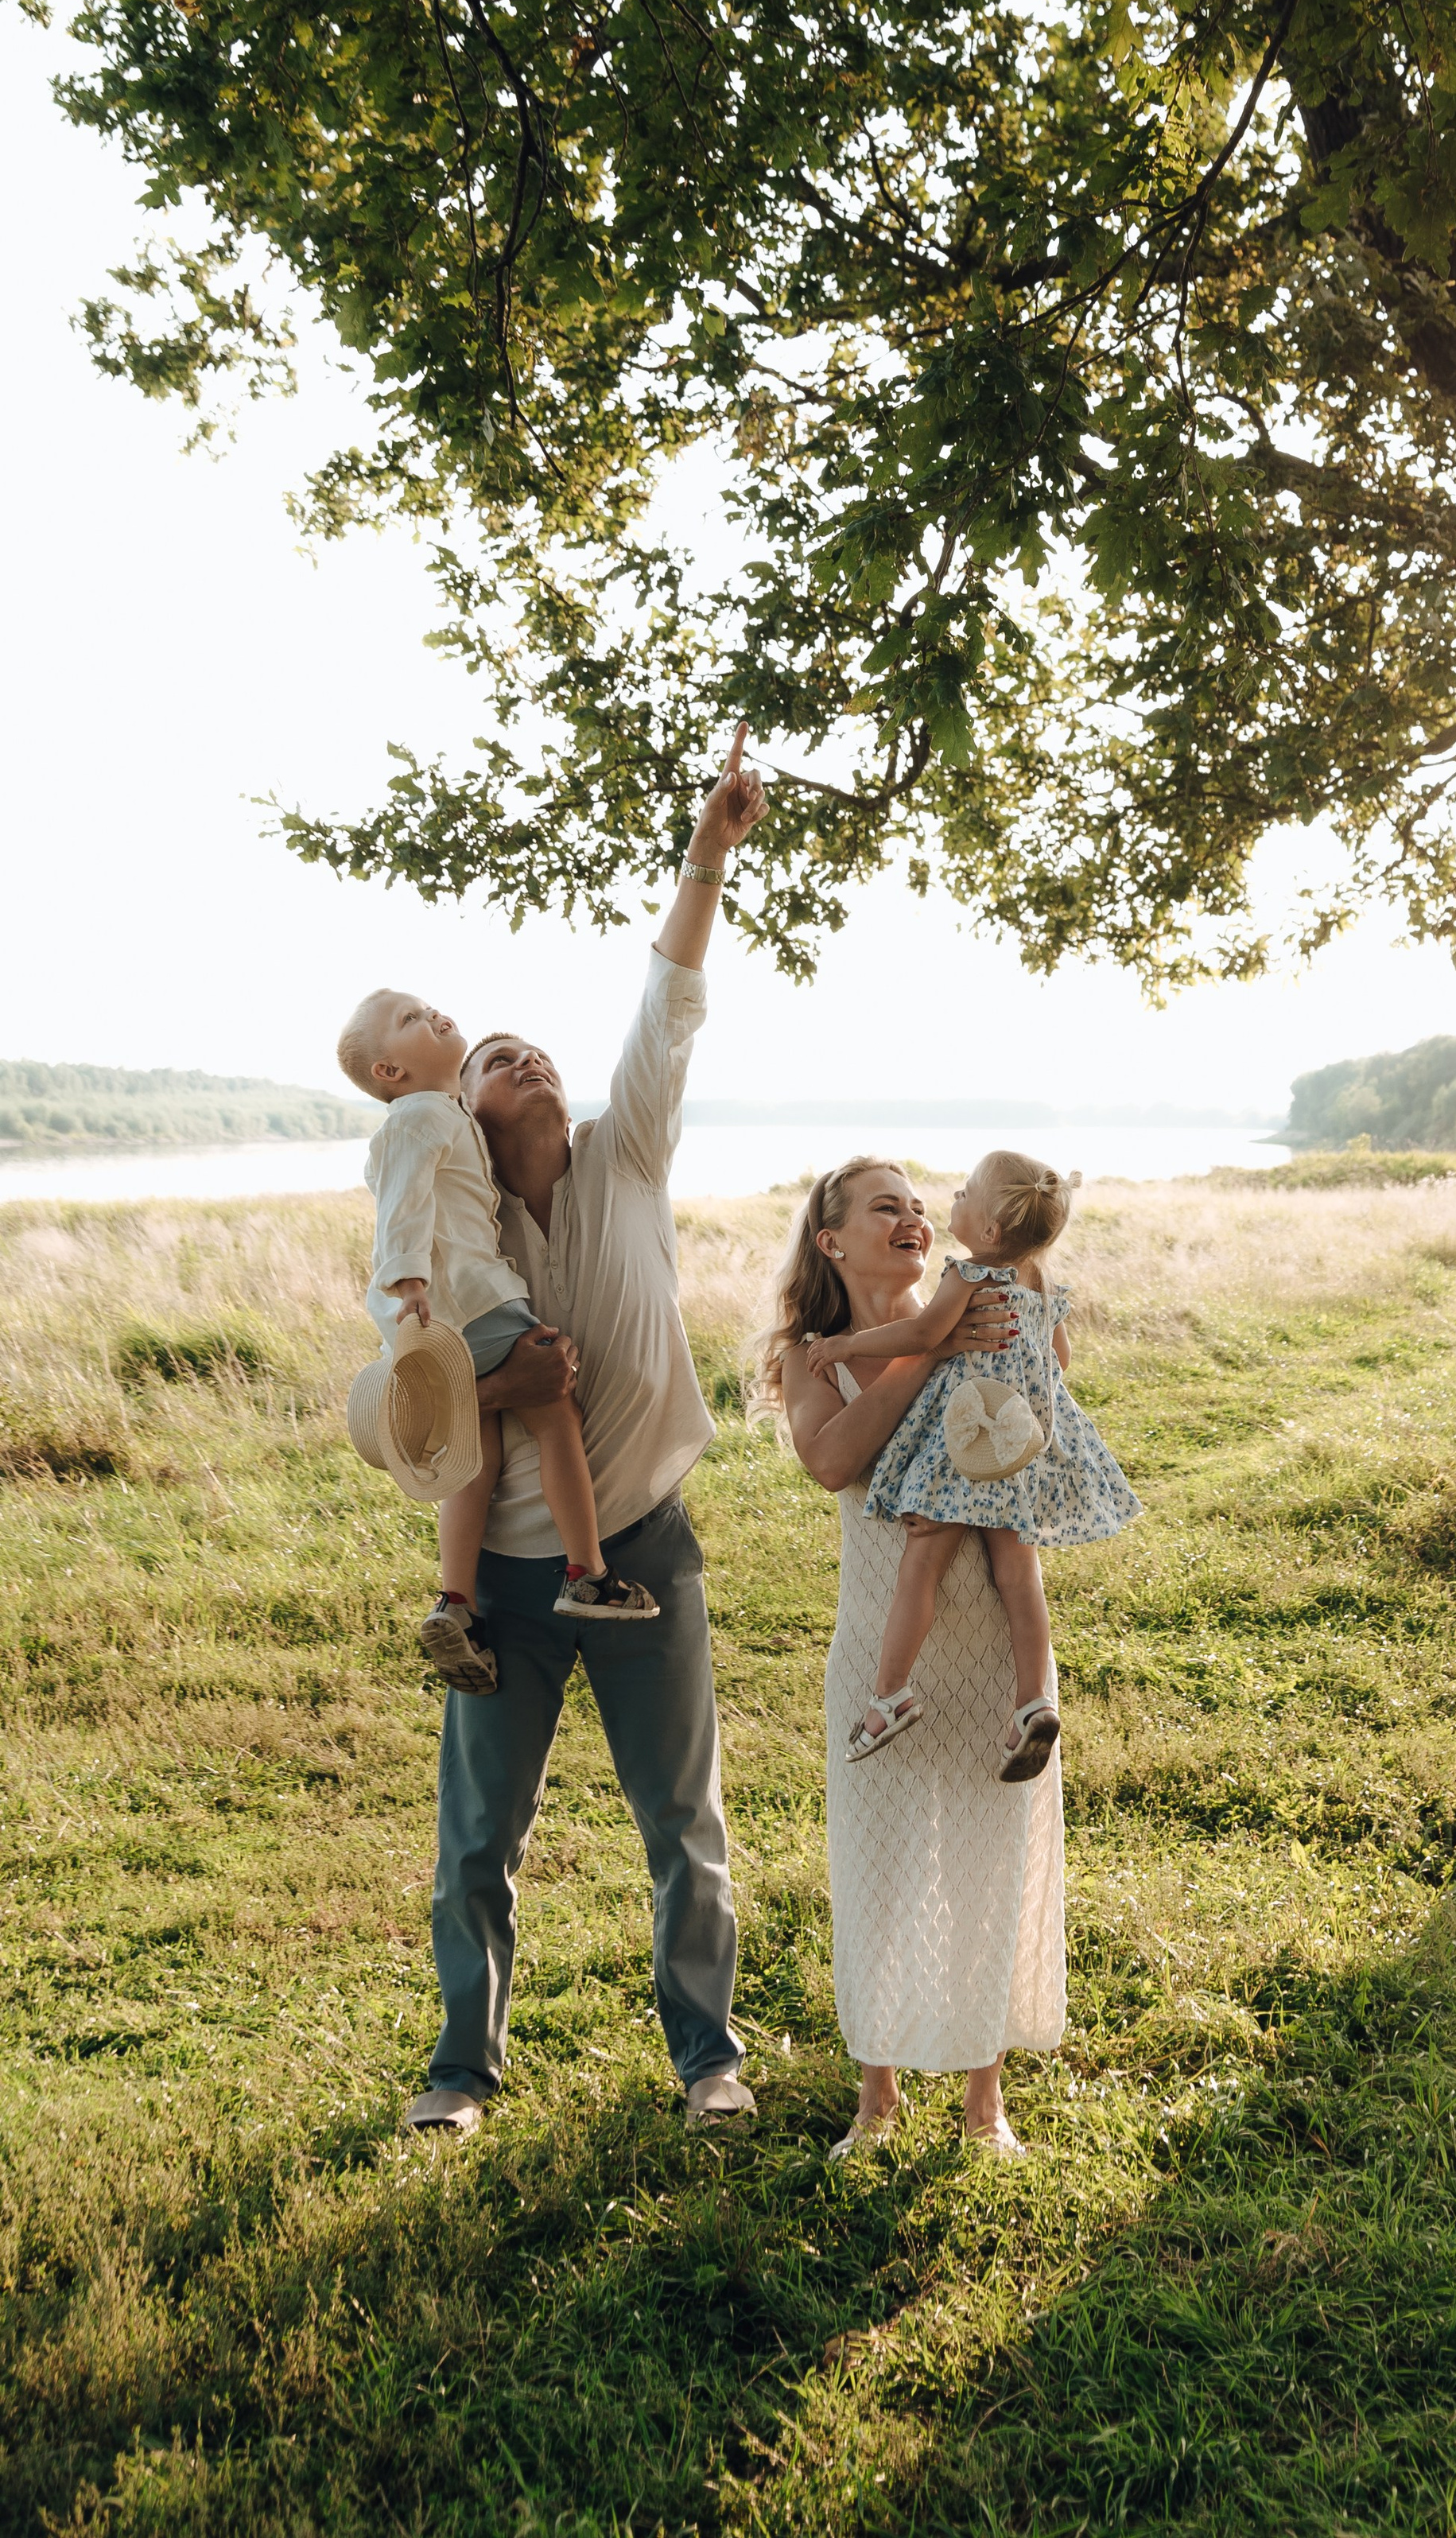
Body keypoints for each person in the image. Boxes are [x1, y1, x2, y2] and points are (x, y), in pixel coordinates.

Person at [399, 723, 767, 2137]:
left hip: (646, 1557)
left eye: (537, 1049)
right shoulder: (450, 1229)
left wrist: (707, 850)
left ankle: (708, 2060)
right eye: (498, 1056)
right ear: (461, 1109)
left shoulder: (629, 1152)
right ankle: (460, 2070)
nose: (529, 1058)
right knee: (479, 1836)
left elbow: (668, 998)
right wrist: (501, 1390)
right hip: (506, 1576)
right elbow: (413, 1409)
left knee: (684, 1826)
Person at [759, 1161, 1060, 2160]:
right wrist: (929, 1348)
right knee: (881, 1867)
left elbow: (1049, 1411)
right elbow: (832, 1460)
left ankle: (986, 2102)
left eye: (917, 1202)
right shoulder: (816, 1356)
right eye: (884, 1204)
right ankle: (876, 2097)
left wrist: (1013, 1319)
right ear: (831, 1239)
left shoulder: (985, 1303)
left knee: (992, 1857)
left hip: (994, 1632)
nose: (913, 1214)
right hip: (882, 1647)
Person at [338, 988, 656, 1702]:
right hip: (471, 1301)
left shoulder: (438, 1117)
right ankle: (588, 1575)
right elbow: (403, 1204)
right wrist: (409, 1279)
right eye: (410, 1021)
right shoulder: (421, 1115)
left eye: (428, 1006)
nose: (434, 1015)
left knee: (469, 1454)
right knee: (555, 1414)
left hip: (445, 1317)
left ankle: (456, 1601)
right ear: (391, 1071)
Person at [806, 1149, 1137, 1778]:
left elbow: (923, 1336)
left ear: (987, 1231)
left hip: (966, 1448)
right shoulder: (1040, 1281)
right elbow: (1058, 1361)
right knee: (1019, 1571)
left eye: (959, 1196)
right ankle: (1031, 1701)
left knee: (923, 1559)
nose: (946, 1204)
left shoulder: (966, 1276)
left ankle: (891, 1694)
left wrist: (848, 1344)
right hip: (1017, 1450)